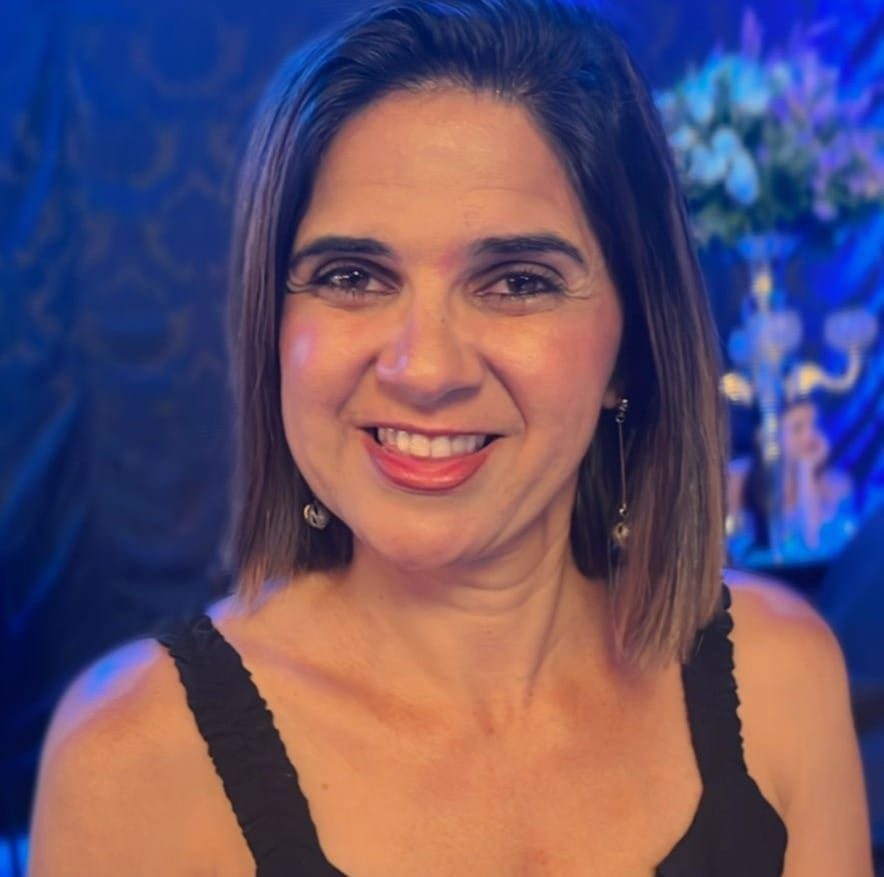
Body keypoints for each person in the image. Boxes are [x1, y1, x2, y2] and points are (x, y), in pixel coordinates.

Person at [27, 1, 872, 875]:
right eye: (352, 276)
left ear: (632, 346)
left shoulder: (779, 680)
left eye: (517, 281)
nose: (425, 368)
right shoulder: (133, 759)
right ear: (273, 328)